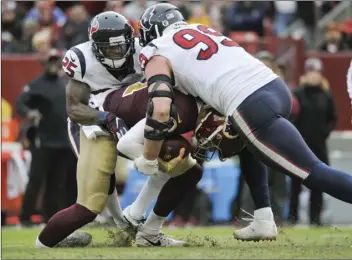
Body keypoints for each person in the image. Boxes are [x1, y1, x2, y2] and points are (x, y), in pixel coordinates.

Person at [133, 4, 352, 241]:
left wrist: (148, 156)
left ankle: (263, 219)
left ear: (152, 31)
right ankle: (263, 218)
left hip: (249, 103)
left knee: (313, 172)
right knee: (244, 144)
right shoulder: (200, 28)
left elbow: (162, 108)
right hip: (274, 88)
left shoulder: (158, 49)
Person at [35, 11, 142, 248]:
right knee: (100, 181)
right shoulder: (82, 58)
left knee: (136, 169)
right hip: (90, 124)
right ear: (95, 46)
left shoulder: (143, 52)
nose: (115, 52)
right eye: (108, 47)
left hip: (127, 118)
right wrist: (106, 117)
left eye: (119, 46)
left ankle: (130, 225)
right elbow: (74, 109)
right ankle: (121, 224)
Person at [15, 49, 77, 227]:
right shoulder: (36, 85)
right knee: (36, 179)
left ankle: (50, 218)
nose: (52, 64)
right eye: (49, 61)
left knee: (57, 183)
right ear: (44, 63)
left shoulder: (66, 84)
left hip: (64, 141)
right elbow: (20, 103)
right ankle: (25, 218)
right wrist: (29, 113)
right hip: (43, 140)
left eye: (55, 61)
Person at [289, 58, 337, 225]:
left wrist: (324, 133)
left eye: (317, 73)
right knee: (296, 184)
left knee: (318, 183)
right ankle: (292, 217)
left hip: (319, 147)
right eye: (311, 72)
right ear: (306, 74)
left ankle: (315, 218)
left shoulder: (326, 95)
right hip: (300, 146)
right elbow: (291, 116)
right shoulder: (297, 94)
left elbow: (332, 118)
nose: (314, 76)